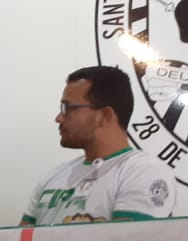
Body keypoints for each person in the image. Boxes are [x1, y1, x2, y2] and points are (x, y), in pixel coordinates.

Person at [19, 66, 176, 226]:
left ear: (105, 115)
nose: (58, 118)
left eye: (68, 108)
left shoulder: (142, 171)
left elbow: (129, 240)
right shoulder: (54, 175)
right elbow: (21, 239)